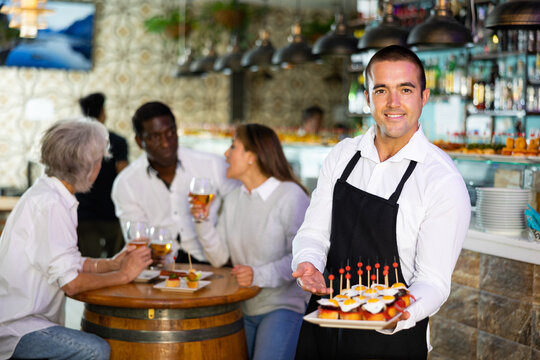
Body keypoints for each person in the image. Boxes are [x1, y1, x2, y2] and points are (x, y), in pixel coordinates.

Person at [291, 45, 471, 359]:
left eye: (405, 89)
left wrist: (395, 312)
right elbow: (314, 233)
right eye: (381, 90)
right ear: (367, 98)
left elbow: (433, 281)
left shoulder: (441, 180)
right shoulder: (342, 155)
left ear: (423, 97)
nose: (393, 103)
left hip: (389, 339)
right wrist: (307, 261)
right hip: (322, 327)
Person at [0, 119, 152, 360]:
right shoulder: (51, 204)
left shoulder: (51, 193)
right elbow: (71, 283)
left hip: (29, 320)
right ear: (87, 167)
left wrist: (113, 263)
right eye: (100, 159)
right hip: (16, 327)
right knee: (94, 349)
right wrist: (125, 275)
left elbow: (69, 262)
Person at [190, 123, 311, 360]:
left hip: (281, 306)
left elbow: (302, 260)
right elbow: (219, 258)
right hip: (243, 305)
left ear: (251, 157)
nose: (226, 153)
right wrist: (202, 220)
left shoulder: (291, 196)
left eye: (233, 146)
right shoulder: (234, 198)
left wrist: (257, 274)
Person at [111, 101, 238, 264]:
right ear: (138, 141)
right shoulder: (126, 183)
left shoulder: (212, 164)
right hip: (160, 266)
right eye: (155, 137)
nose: (165, 143)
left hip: (213, 261)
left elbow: (240, 206)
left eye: (170, 133)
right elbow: (137, 237)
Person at [76, 92, 129, 258]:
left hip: (83, 210)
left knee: (89, 261)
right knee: (115, 263)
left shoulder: (76, 141)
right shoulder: (117, 141)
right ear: (103, 112)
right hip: (111, 210)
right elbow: (124, 175)